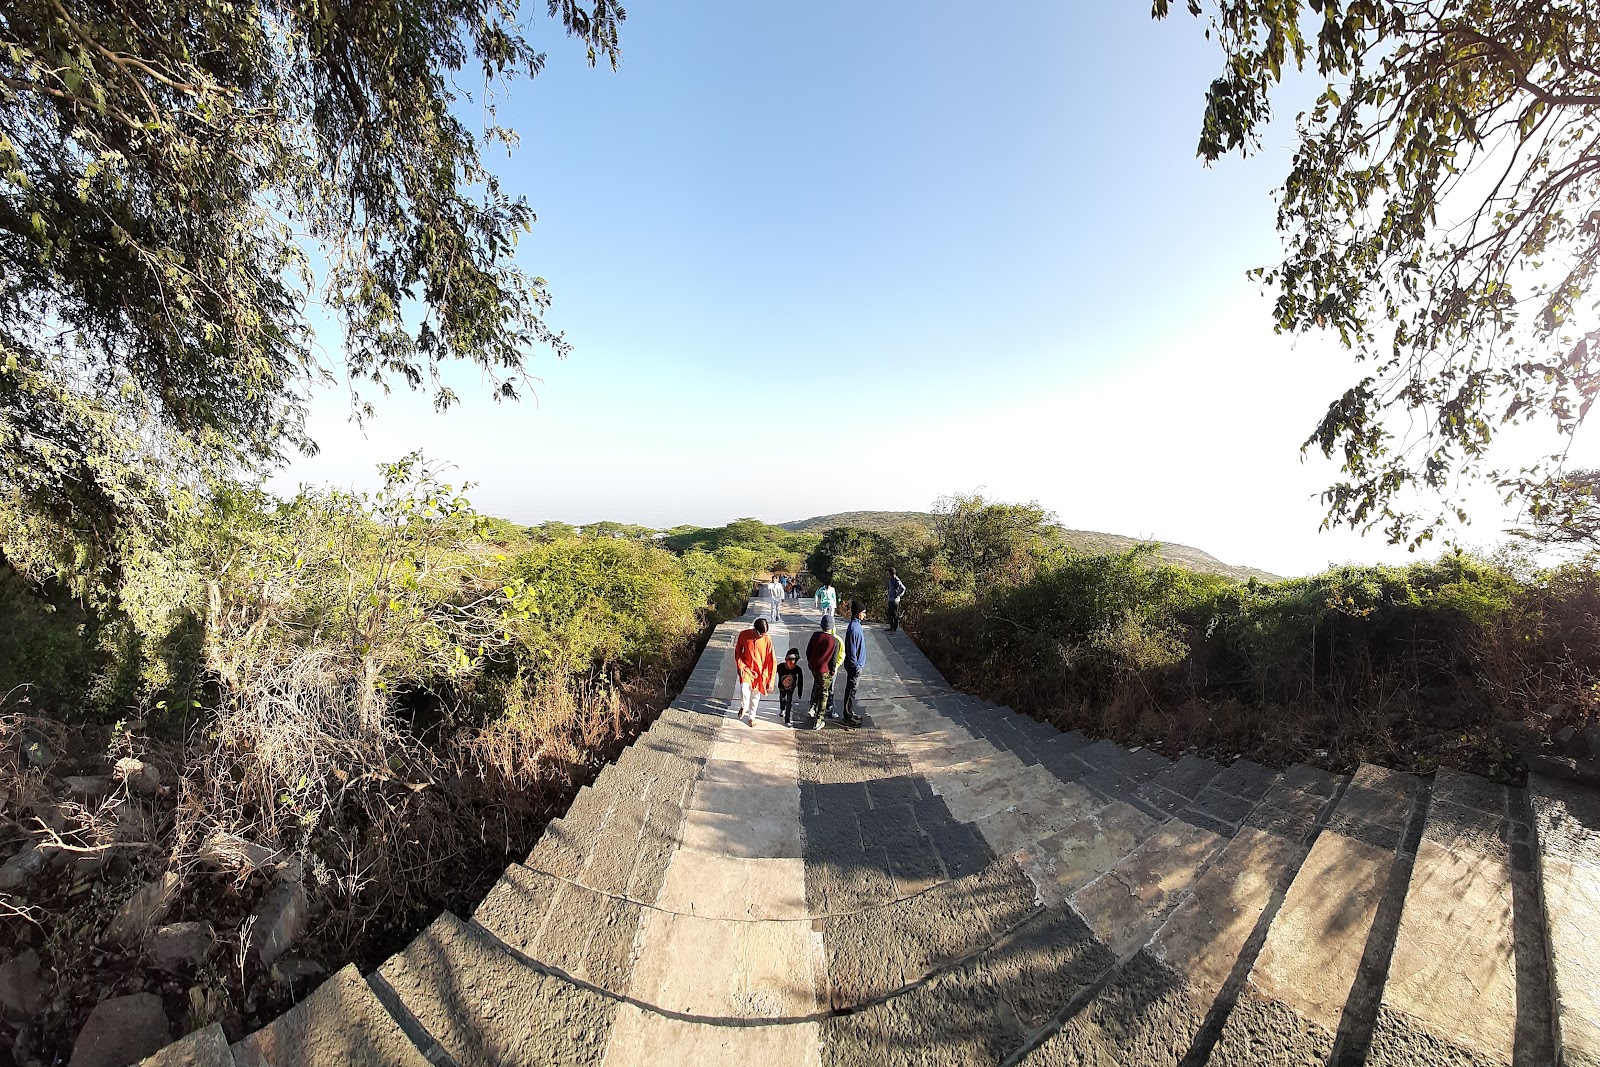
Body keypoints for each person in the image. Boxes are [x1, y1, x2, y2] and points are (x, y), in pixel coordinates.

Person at [733, 617, 776, 727]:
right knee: (743, 689)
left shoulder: (767, 640)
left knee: (755, 696)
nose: (762, 635)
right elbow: (738, 650)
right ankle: (744, 706)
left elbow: (773, 661)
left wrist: (771, 681)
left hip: (760, 672)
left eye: (764, 633)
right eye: (760, 633)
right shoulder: (744, 635)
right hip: (746, 668)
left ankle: (752, 717)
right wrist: (740, 665)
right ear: (754, 629)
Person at [805, 616, 840, 729]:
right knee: (824, 693)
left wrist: (811, 662)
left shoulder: (816, 635)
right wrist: (832, 671)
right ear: (833, 627)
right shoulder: (834, 641)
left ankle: (812, 708)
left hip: (813, 667)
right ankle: (819, 719)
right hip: (825, 670)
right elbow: (833, 661)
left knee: (818, 687)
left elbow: (808, 651)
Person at [841, 600, 867, 726]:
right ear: (857, 614)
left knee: (852, 691)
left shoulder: (857, 626)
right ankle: (847, 716)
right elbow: (851, 651)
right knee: (851, 691)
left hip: (857, 665)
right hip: (854, 667)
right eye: (863, 612)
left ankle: (849, 712)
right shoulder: (853, 629)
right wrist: (856, 666)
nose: (865, 615)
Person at [777, 648, 805, 724]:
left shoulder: (798, 669)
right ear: (786, 660)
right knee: (782, 698)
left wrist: (799, 692)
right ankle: (782, 708)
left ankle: (787, 719)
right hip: (782, 687)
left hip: (791, 689)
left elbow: (800, 681)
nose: (792, 665)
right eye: (790, 663)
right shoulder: (780, 667)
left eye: (794, 663)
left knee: (789, 702)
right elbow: (772, 672)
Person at [886, 567, 908, 633]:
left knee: (894, 614)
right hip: (890, 599)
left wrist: (898, 594)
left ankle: (894, 629)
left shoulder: (896, 580)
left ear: (890, 573)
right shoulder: (891, 580)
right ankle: (891, 627)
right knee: (890, 614)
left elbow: (903, 588)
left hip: (895, 600)